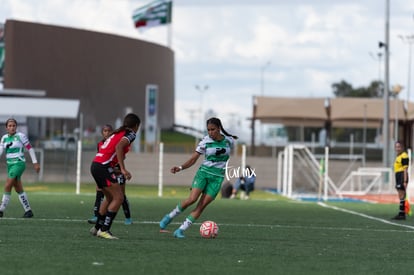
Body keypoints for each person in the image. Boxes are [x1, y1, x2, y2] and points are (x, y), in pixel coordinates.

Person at [159, 117, 238, 238]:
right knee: (192, 199)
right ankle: (169, 217)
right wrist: (180, 167)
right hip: (203, 174)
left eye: (213, 129)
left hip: (217, 179)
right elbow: (193, 159)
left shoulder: (229, 141)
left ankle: (180, 230)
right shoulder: (205, 141)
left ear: (219, 129)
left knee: (201, 205)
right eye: (208, 130)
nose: (210, 132)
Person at [89, 113, 140, 239]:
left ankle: (97, 228)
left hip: (96, 165)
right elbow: (119, 147)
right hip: (103, 166)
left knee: (110, 198)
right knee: (119, 198)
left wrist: (117, 169)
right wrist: (123, 169)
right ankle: (104, 230)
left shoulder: (118, 132)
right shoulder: (130, 134)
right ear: (136, 126)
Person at [87, 124, 133, 225]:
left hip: (116, 170)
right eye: (105, 131)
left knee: (120, 195)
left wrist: (121, 169)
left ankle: (128, 217)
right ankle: (97, 217)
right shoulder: (100, 144)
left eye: (109, 131)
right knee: (100, 192)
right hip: (105, 169)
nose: (107, 133)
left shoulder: (119, 142)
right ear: (102, 133)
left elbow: (120, 156)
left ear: (112, 132)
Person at [0, 118, 40, 218]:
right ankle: (28, 211)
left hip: (19, 164)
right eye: (10, 126)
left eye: (13, 125)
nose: (12, 127)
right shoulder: (4, 138)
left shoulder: (21, 136)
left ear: (16, 127)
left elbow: (30, 149)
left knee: (8, 185)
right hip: (10, 165)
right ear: (6, 128)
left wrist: (35, 163)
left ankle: (1, 210)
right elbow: (0, 151)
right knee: (18, 188)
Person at [392, 140, 409, 220]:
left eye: (399, 147)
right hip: (398, 175)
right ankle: (401, 213)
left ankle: (402, 214)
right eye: (396, 147)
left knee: (402, 194)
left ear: (402, 147)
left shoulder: (404, 155)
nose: (397, 148)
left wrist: (405, 181)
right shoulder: (398, 156)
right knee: (400, 195)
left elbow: (405, 169)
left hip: (402, 175)